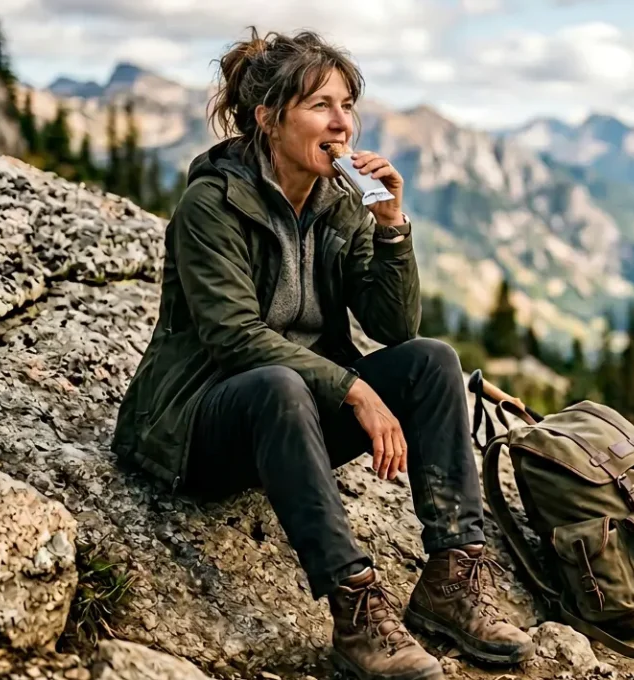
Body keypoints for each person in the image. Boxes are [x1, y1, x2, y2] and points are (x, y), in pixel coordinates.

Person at [111, 27, 534, 680]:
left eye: (347, 106)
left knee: (433, 360)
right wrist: (355, 391)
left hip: (297, 420)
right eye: (321, 106)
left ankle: (453, 578)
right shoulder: (211, 205)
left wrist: (391, 224)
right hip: (204, 423)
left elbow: (395, 326)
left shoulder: (340, 201)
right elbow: (232, 337)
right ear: (269, 119)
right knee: (277, 382)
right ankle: (356, 610)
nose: (343, 124)